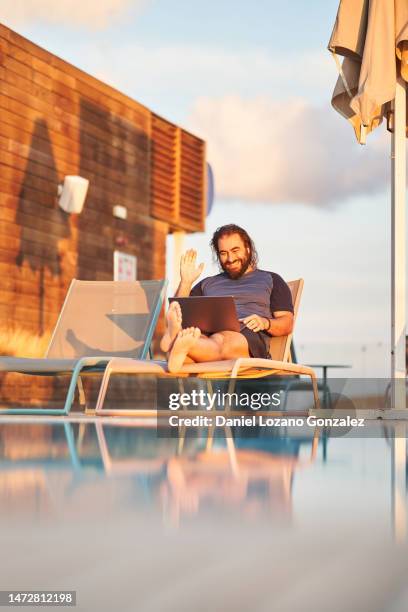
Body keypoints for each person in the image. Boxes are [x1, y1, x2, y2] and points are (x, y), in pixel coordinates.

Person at [161, 224, 294, 372]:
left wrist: (265, 323)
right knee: (188, 356)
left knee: (221, 340)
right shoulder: (207, 283)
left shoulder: (271, 279)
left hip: (247, 338)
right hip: (207, 336)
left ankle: (176, 340)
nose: (230, 258)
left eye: (235, 250)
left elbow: (287, 323)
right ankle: (180, 342)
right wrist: (185, 282)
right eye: (223, 253)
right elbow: (178, 312)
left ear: (248, 248)